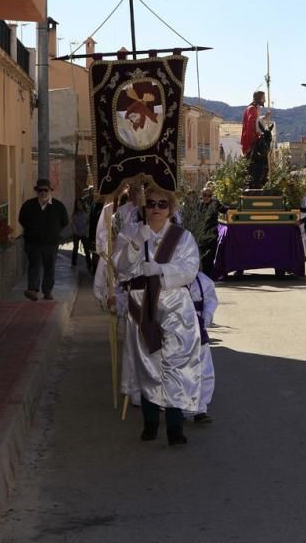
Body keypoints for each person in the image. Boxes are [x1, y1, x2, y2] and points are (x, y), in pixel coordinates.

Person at [114, 186, 203, 446]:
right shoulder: (130, 233)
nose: (156, 208)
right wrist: (135, 244)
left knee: (176, 364)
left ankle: (175, 427)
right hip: (142, 305)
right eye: (151, 203)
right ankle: (151, 423)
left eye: (162, 204)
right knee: (147, 363)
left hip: (175, 303)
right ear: (144, 207)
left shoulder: (182, 237)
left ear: (171, 208)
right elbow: (119, 267)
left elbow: (190, 269)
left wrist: (161, 269)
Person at [18, 179, 69, 302]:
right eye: (40, 190)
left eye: (45, 190)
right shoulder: (28, 205)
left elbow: (64, 222)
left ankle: (47, 291)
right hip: (33, 243)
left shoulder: (58, 206)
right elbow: (22, 219)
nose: (43, 192)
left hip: (51, 243)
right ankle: (33, 290)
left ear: (50, 191)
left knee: (49, 267)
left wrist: (53, 232)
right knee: (34, 266)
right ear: (36, 191)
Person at [187, 271, 218, 425]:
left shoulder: (203, 280)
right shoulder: (169, 279)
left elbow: (211, 299)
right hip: (176, 326)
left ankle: (201, 408)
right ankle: (179, 407)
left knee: (203, 369)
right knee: (181, 369)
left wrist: (207, 315)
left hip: (198, 325)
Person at [198, 186, 225, 277]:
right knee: (201, 257)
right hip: (201, 235)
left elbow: (224, 210)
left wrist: (234, 207)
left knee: (210, 257)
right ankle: (201, 276)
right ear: (202, 195)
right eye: (205, 195)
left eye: (209, 195)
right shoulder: (198, 205)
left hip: (212, 235)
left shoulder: (215, 204)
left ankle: (209, 276)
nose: (206, 197)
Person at [70, 198, 90, 269]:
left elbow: (88, 223)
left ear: (82, 203)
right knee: (75, 248)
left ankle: (89, 264)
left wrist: (83, 231)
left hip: (84, 233)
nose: (79, 205)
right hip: (76, 233)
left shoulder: (87, 212)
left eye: (80, 203)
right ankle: (73, 263)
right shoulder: (75, 213)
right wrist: (76, 231)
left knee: (86, 249)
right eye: (77, 204)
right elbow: (72, 223)